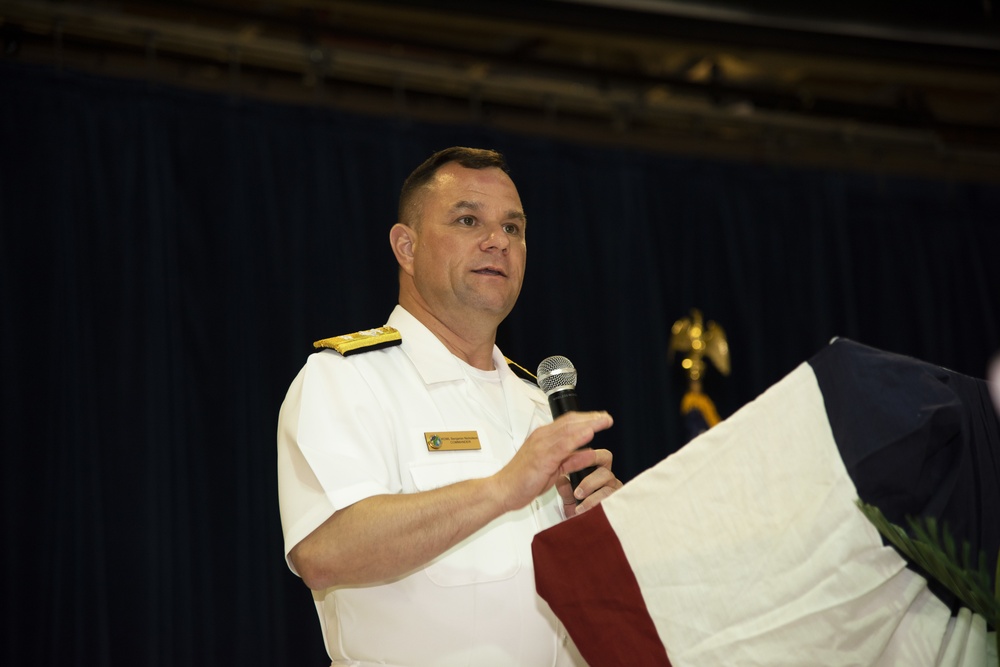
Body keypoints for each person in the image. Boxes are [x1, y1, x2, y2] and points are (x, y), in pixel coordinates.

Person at [277, 146, 622, 666]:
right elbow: (323, 552)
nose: (497, 242)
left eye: (513, 228)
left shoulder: (538, 401)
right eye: (468, 220)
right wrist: (502, 489)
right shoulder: (348, 379)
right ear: (406, 247)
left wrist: (607, 531)